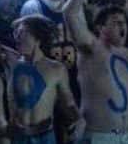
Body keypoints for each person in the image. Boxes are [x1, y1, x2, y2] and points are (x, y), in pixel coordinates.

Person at [63, 0, 128, 143]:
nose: (122, 26)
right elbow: (69, 12)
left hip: (127, 138)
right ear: (100, 28)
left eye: (124, 23)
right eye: (116, 23)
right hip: (98, 138)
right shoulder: (91, 49)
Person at [5, 15, 80, 144]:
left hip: (45, 137)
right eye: (16, 32)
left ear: (37, 37)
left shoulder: (56, 68)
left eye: (22, 32)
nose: (17, 36)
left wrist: (78, 126)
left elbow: (69, 104)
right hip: (18, 138)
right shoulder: (11, 63)